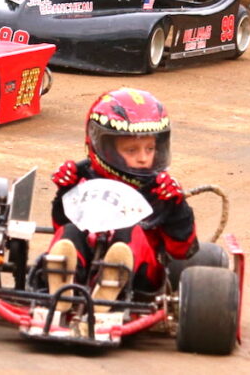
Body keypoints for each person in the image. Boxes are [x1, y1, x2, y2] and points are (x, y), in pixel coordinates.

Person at [44, 88, 198, 311]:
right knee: (70, 232)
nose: (144, 158)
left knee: (129, 232)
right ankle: (63, 287)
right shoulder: (83, 177)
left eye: (150, 148)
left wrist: (176, 206)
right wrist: (65, 191)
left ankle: (111, 283)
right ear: (107, 148)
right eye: (132, 150)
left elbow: (182, 250)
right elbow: (58, 226)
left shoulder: (160, 190)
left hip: (140, 280)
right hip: (85, 261)